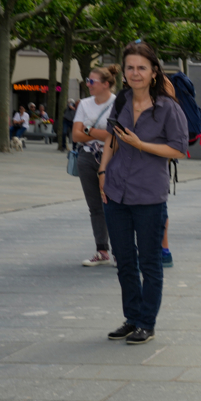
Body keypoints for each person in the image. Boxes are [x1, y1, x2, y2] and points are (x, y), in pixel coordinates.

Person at [98, 41, 189, 346]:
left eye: (141, 68)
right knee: (124, 260)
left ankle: (147, 323)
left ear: (153, 73)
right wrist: (102, 171)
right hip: (116, 190)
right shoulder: (122, 100)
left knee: (149, 262)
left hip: (149, 195)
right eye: (130, 68)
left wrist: (141, 145)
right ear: (123, 72)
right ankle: (132, 317)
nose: (135, 73)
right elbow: (113, 136)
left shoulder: (168, 108)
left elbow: (179, 148)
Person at [72, 66, 118, 266]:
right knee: (95, 207)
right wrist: (99, 133)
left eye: (92, 81)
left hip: (113, 159)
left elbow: (116, 136)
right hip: (87, 157)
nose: (88, 85)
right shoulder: (84, 104)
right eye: (87, 81)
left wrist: (88, 130)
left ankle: (120, 251)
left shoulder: (118, 104)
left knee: (115, 205)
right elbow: (76, 135)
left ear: (106, 84)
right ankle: (102, 250)